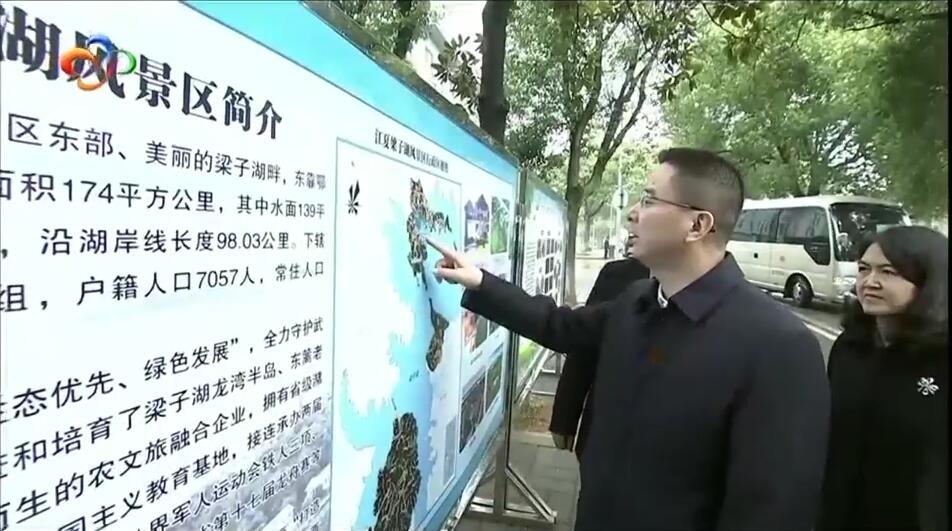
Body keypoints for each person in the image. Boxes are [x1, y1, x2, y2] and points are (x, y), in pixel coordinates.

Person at [428, 147, 830, 531]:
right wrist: (480, 282)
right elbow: (559, 325)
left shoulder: (779, 346)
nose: (631, 214)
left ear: (698, 225)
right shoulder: (638, 300)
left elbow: (770, 512)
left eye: (649, 200)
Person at [817, 226, 948, 531]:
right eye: (864, 269)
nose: (869, 282)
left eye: (888, 272)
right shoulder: (850, 347)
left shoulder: (940, 358)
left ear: (929, 280)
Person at [549, 231, 650, 459]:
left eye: (651, 210)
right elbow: (583, 344)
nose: (633, 218)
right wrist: (565, 417)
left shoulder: (730, 309)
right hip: (604, 442)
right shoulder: (617, 274)